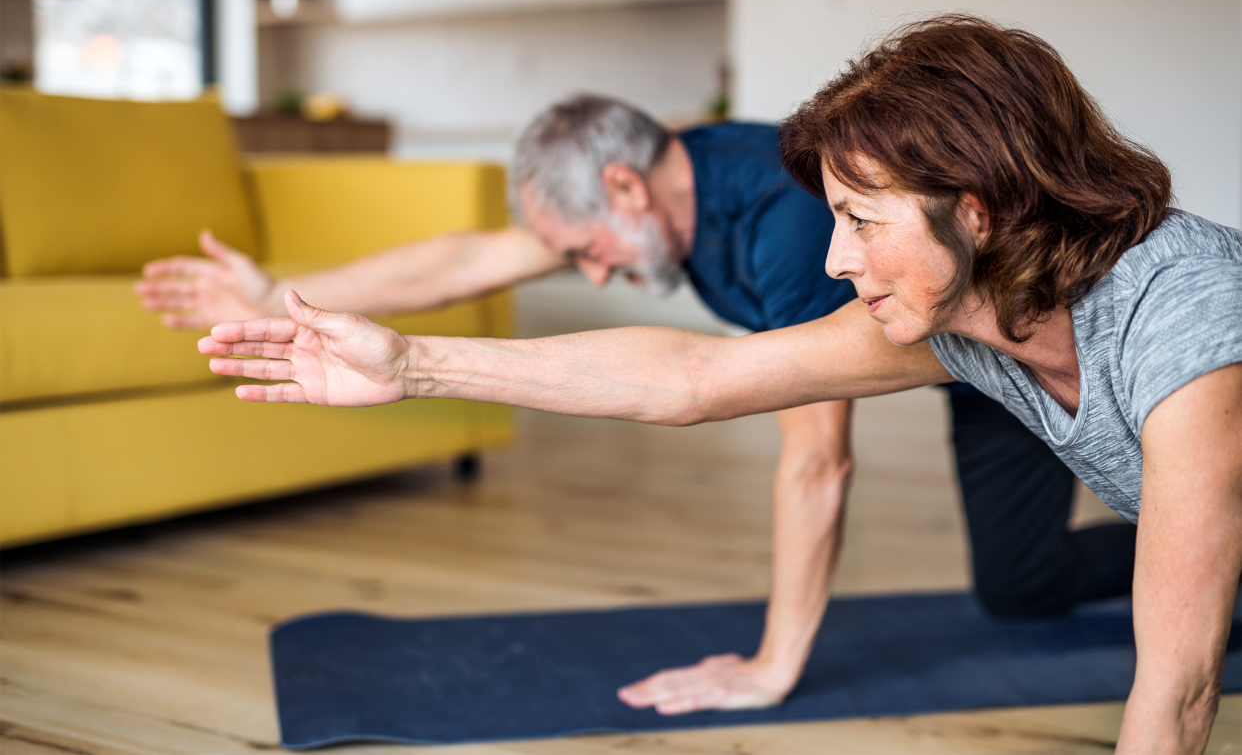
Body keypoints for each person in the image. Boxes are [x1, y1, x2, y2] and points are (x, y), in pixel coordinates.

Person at [147, 94, 1134, 714]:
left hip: (1026, 339)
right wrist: (280, 297)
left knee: (1043, 570)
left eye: (585, 251)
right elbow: (464, 257)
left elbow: (818, 460)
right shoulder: (670, 175)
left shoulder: (789, 235)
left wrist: (772, 665)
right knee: (1023, 587)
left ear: (621, 184)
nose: (596, 274)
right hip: (952, 357)